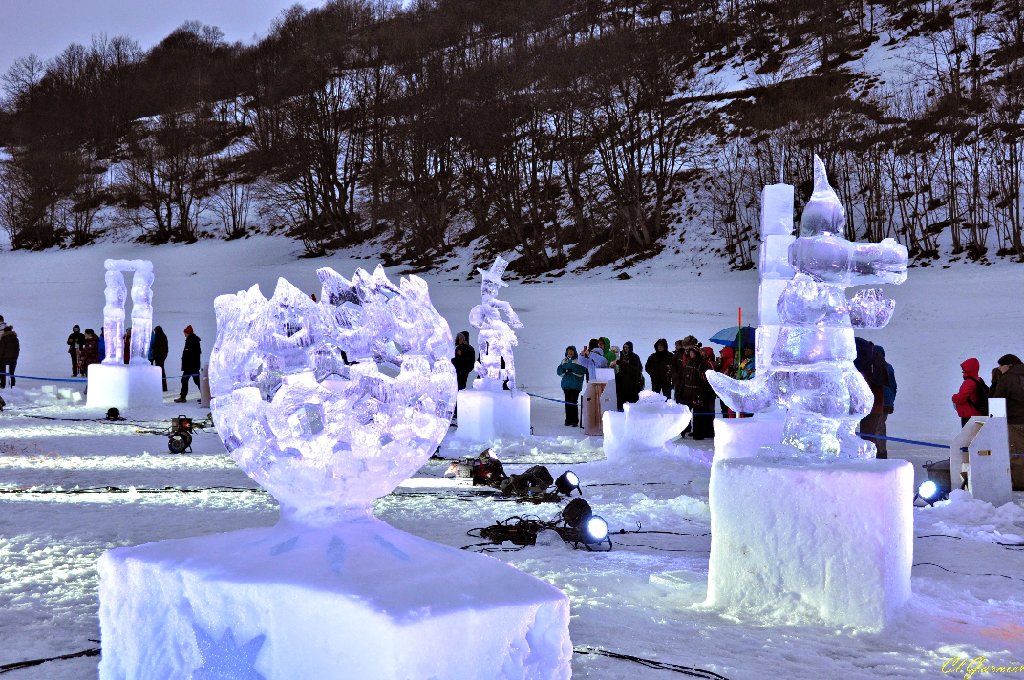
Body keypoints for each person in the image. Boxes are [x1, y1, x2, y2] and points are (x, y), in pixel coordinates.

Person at [992, 353, 1024, 489]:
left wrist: (995, 383)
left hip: (1015, 422)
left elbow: (996, 400)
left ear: (1009, 365)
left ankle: (1020, 485)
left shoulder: (1007, 378)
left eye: (1001, 366)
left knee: (1017, 454)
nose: (999, 369)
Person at [855, 337, 889, 458]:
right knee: (872, 432)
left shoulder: (867, 365)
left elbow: (886, 387)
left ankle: (874, 459)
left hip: (872, 406)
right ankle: (877, 456)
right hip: (876, 405)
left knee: (869, 435)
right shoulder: (876, 363)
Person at [556, 346, 587, 427]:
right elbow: (559, 370)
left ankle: (574, 421)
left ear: (574, 352)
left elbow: (583, 371)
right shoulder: (564, 361)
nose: (570, 352)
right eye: (569, 351)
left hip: (575, 385)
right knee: (567, 403)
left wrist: (573, 371)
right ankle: (568, 420)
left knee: (573, 402)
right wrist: (564, 371)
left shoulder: (578, 361)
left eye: (571, 351)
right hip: (566, 385)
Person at [951, 357, 986, 427]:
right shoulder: (979, 380)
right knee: (975, 436)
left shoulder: (968, 382)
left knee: (968, 437)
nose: (962, 371)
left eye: (964, 369)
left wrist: (953, 397)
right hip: (978, 414)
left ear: (968, 369)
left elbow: (960, 399)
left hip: (969, 416)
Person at [611, 341, 643, 410]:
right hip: (620, 381)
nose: (625, 349)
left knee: (631, 400)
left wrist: (620, 363)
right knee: (620, 397)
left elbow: (635, 369)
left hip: (631, 381)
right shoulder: (620, 356)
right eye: (624, 347)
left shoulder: (634, 357)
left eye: (627, 347)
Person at [174, 325, 202, 403]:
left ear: (188, 332)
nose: (184, 334)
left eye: (185, 332)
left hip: (191, 366)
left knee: (188, 380)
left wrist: (188, 365)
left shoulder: (192, 340)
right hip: (192, 366)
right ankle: (205, 396)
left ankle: (183, 397)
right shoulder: (191, 339)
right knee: (195, 381)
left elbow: (192, 355)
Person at [0, 324, 21, 389]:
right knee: (12, 373)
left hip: (4, 359)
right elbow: (18, 349)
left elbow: (1, 350)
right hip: (13, 359)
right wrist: (16, 358)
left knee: (2, 372)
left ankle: (3, 385)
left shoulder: (4, 338)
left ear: (5, 332)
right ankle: (13, 386)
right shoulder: (16, 339)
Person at [150, 326, 169, 392]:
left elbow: (158, 348)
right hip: (161, 357)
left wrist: (156, 355)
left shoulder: (158, 336)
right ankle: (163, 387)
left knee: (160, 372)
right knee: (161, 371)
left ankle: (162, 387)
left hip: (159, 357)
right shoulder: (163, 336)